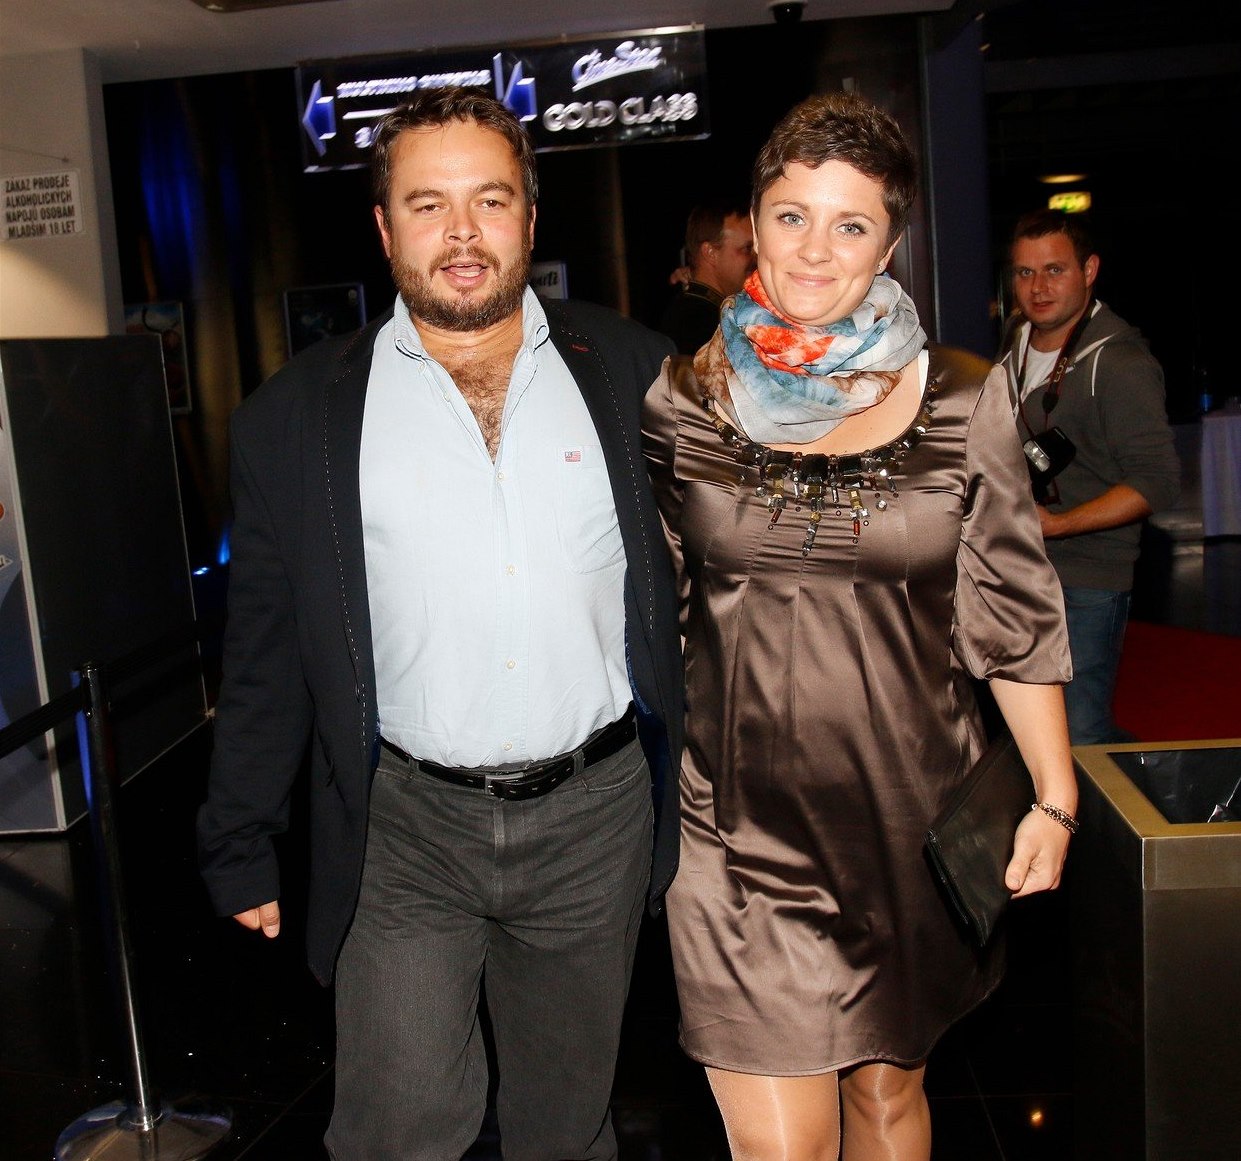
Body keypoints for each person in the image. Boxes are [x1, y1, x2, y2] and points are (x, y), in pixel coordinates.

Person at [196, 88, 684, 1160]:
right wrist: (239, 838)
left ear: (530, 217)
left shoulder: (640, 375)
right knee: (396, 1127)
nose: (462, 234)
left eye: (489, 201)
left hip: (596, 816)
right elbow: (265, 650)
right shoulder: (296, 417)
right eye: (428, 205)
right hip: (401, 827)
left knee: (566, 1127)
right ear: (384, 228)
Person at [641, 90, 1078, 1161]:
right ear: (753, 222)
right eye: (791, 215)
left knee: (885, 1099)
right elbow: (648, 614)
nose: (813, 249)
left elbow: (1010, 615)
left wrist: (1053, 797)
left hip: (907, 824)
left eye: (850, 225)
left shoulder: (962, 399)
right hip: (735, 833)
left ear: (887, 247)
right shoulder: (682, 402)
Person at [998, 209, 1179, 744]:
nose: (1038, 287)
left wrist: (1060, 524)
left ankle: (1121, 797)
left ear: (1090, 270)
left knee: (1079, 732)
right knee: (1027, 730)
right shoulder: (1016, 337)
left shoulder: (1120, 363)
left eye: (1054, 270)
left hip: (1088, 576)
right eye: (1025, 272)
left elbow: (1157, 482)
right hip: (1017, 568)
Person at [656, 195, 756, 355]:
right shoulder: (698, 324)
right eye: (746, 249)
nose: (756, 258)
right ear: (711, 253)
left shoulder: (701, 312)